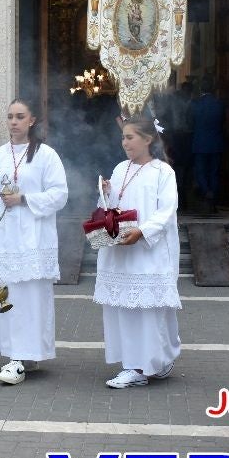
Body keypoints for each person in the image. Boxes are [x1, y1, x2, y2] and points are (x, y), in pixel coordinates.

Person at [0, 99, 69, 385]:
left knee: (30, 299)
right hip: (4, 239)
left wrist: (24, 199)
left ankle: (24, 356)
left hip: (33, 240)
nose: (13, 122)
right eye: (10, 116)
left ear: (32, 120)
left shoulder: (46, 155)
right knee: (7, 296)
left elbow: (59, 194)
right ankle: (16, 354)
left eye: (19, 116)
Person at [94, 116, 180, 388]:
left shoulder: (163, 171)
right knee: (124, 309)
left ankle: (152, 362)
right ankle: (133, 365)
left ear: (147, 139)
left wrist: (142, 232)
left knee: (149, 311)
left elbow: (167, 211)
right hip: (121, 253)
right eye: (123, 137)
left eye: (130, 137)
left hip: (148, 252)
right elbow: (111, 207)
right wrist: (106, 193)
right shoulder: (120, 168)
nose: (124, 142)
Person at [190, 76, 225, 214]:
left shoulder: (195, 104)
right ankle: (213, 198)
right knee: (214, 172)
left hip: (200, 143)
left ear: (201, 89)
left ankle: (206, 192)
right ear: (213, 89)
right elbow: (223, 122)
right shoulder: (219, 104)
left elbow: (190, 122)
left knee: (200, 171)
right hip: (216, 143)